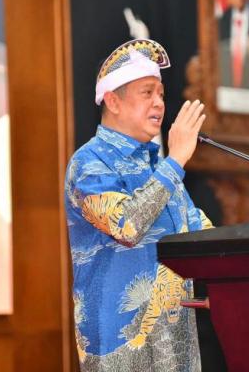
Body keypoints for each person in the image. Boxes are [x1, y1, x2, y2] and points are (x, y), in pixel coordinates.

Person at [65, 39, 212, 371]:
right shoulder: (89, 163)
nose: (159, 103)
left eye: (161, 94)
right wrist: (176, 160)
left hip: (176, 346)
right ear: (113, 101)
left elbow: (201, 236)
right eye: (147, 93)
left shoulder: (158, 169)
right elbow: (127, 226)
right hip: (120, 348)